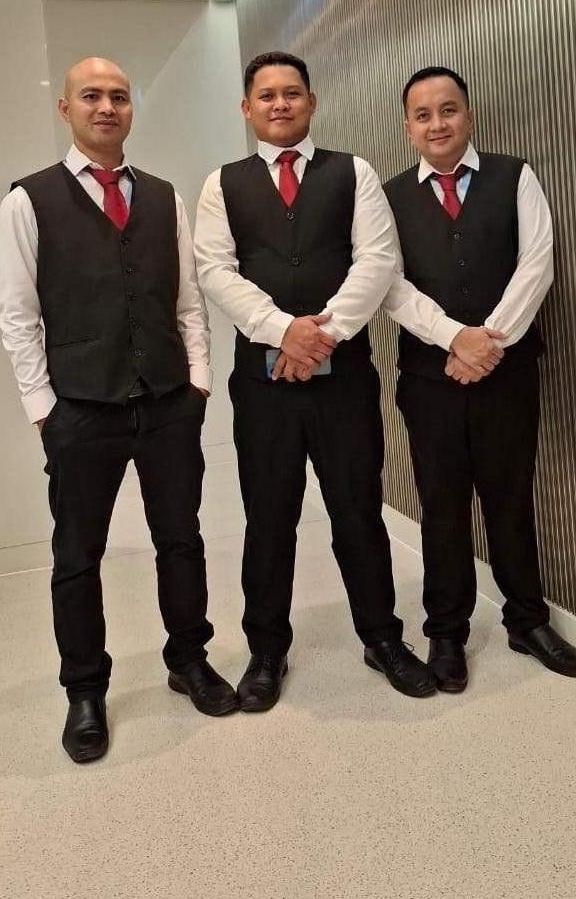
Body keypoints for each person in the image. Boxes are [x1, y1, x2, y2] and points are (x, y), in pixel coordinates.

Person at [0, 57, 238, 764]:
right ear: (66, 108)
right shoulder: (27, 201)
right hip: (80, 409)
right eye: (92, 96)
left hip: (167, 403)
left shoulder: (163, 197)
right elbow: (18, 315)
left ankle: (188, 658)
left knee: (181, 540)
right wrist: (44, 409)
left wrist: (197, 382)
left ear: (132, 108)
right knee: (77, 557)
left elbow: (187, 301)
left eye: (120, 96)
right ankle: (84, 690)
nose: (107, 107)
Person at [194, 50, 446, 712]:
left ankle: (381, 637)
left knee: (357, 511)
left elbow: (377, 261)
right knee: (267, 517)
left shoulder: (353, 172)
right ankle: (266, 650)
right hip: (263, 385)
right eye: (266, 95)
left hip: (344, 383)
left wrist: (320, 335)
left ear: (311, 101)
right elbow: (215, 271)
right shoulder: (222, 185)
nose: (280, 104)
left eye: (292, 93)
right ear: (247, 108)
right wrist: (284, 331)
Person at [383, 65, 576, 691]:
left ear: (468, 115)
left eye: (448, 110)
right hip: (429, 378)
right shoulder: (388, 197)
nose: (437, 124)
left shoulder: (515, 176)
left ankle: (527, 621)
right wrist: (454, 339)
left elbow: (537, 263)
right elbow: (389, 284)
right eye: (423, 115)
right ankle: (446, 633)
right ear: (409, 127)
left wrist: (486, 342)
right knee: (442, 507)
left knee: (510, 497)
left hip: (507, 372)